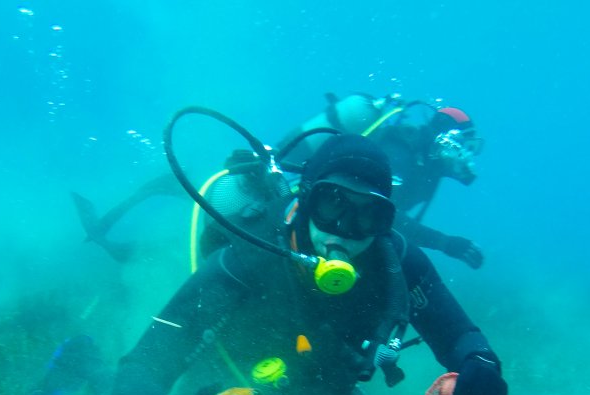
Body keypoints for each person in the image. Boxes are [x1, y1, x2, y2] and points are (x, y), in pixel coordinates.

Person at [111, 133, 507, 395]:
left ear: (386, 220)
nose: (344, 231)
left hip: (322, 379)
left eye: (368, 214)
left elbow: (457, 334)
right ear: (304, 200)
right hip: (228, 369)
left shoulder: (397, 262)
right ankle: (82, 363)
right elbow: (138, 371)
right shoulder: (247, 259)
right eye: (331, 204)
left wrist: (480, 362)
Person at [72, 94, 487, 269]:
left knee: (209, 221)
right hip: (290, 197)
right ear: (442, 139)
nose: (465, 158)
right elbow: (384, 219)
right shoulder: (399, 158)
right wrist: (448, 243)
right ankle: (120, 227)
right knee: (218, 213)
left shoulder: (423, 170)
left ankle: (128, 243)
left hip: (304, 207)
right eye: (461, 146)